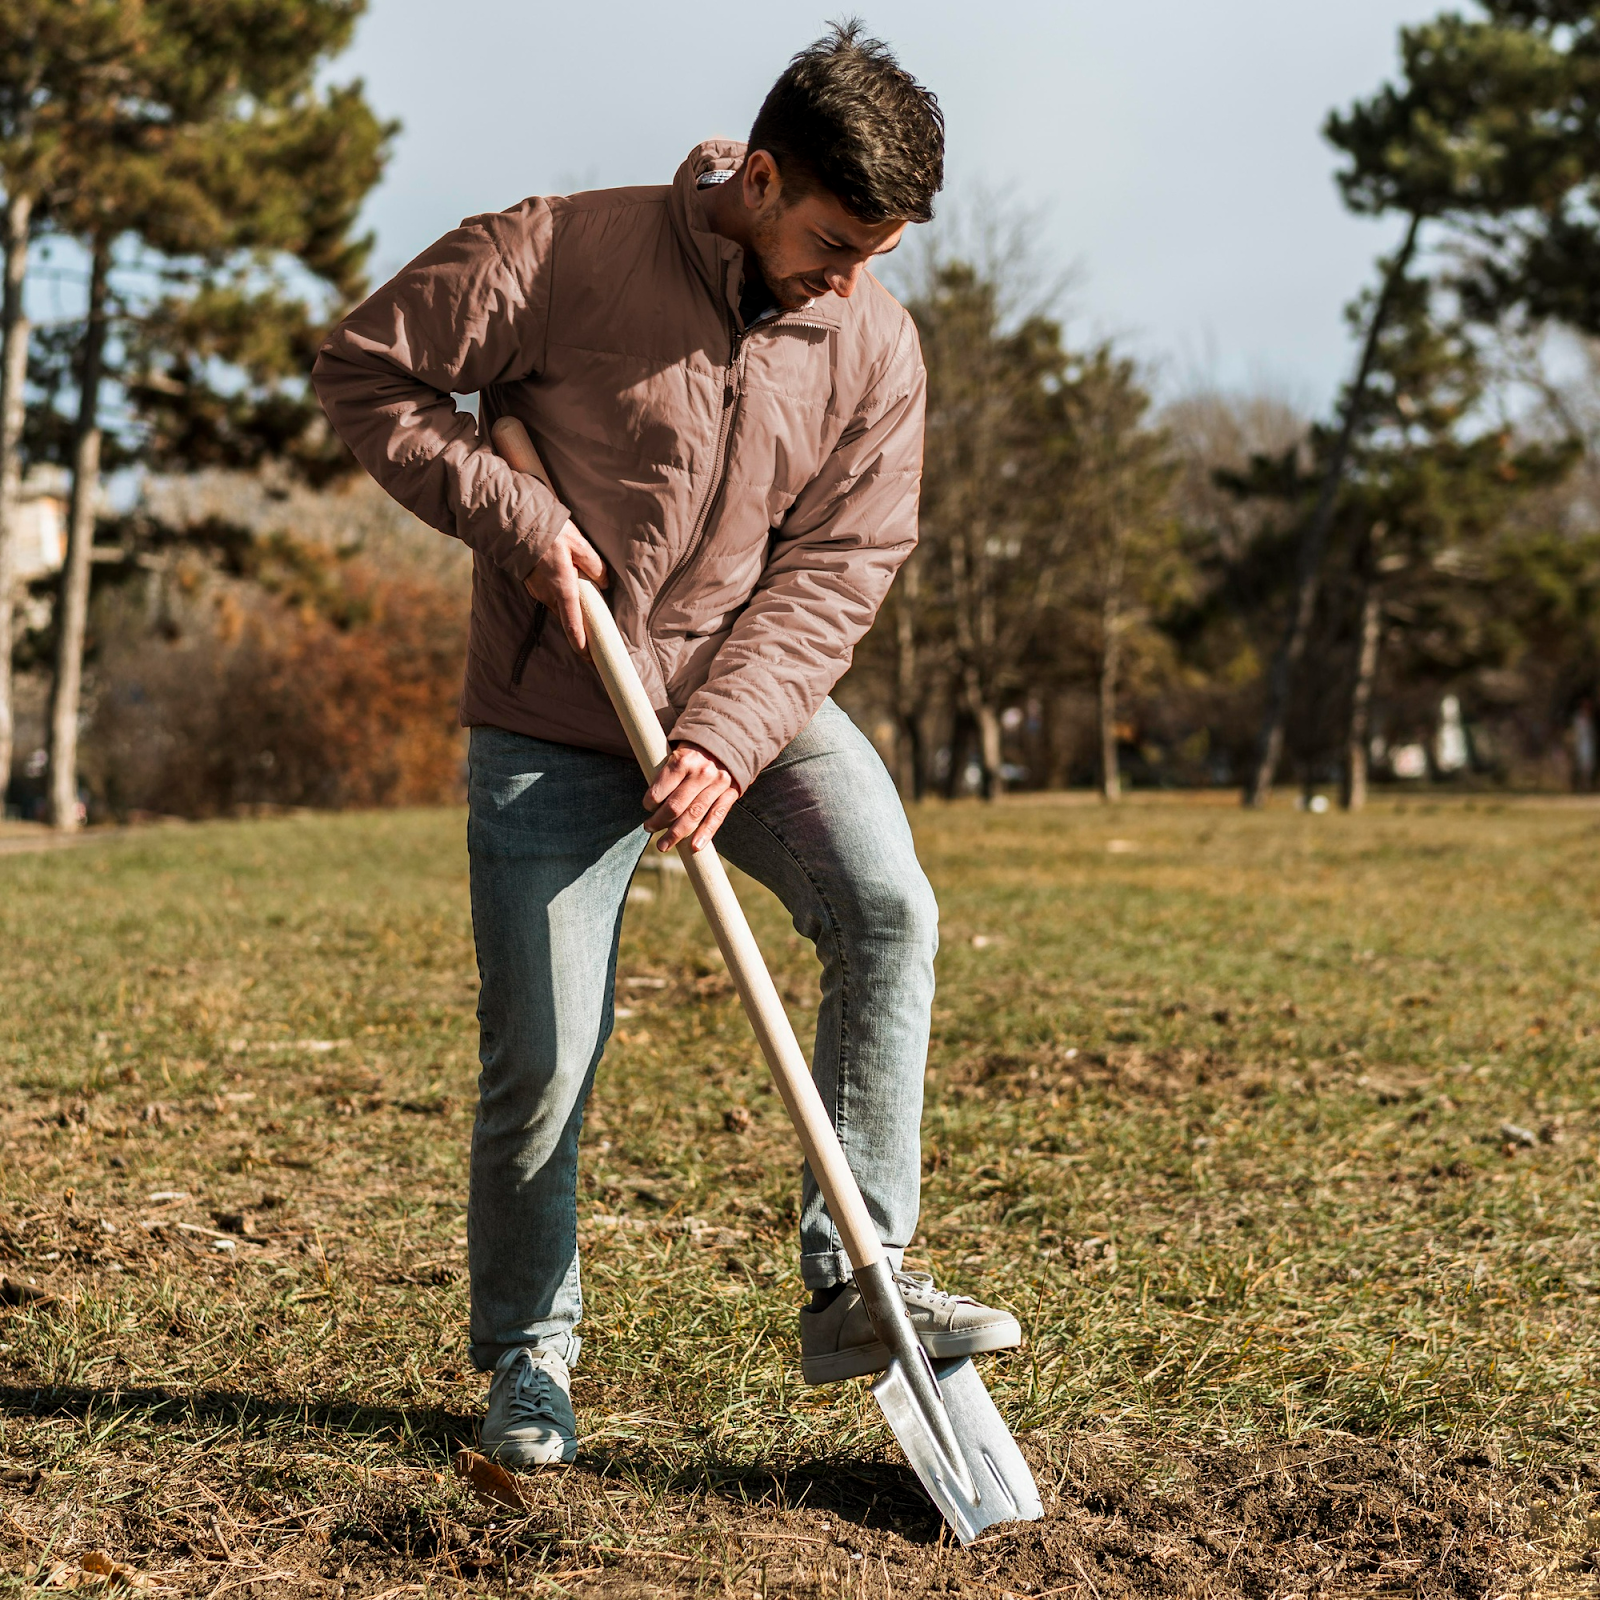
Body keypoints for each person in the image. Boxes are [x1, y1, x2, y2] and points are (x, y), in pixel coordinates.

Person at [312, 22, 1020, 1469]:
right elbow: (366, 372)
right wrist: (517, 522)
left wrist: (728, 734)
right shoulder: (556, 253)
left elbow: (843, 561)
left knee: (888, 909)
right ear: (758, 178)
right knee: (548, 1060)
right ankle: (528, 1362)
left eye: (879, 251)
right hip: (553, 714)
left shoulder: (871, 340)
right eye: (834, 239)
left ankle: (856, 1279)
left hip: (744, 701)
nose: (852, 277)